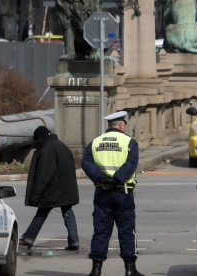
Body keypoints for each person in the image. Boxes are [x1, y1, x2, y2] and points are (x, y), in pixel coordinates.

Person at [81, 111, 144, 276]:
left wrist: (101, 178)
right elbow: (131, 164)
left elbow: (86, 162)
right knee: (127, 230)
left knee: (101, 230)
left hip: (102, 192)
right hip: (123, 192)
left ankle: (96, 270)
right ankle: (130, 270)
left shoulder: (95, 142)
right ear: (122, 125)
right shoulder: (129, 142)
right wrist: (116, 179)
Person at [18, 126, 80, 251]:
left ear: (40, 138)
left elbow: (44, 175)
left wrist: (35, 195)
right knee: (67, 212)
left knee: (41, 212)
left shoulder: (47, 150)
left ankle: (28, 238)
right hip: (66, 188)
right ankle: (74, 242)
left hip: (53, 189)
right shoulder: (61, 145)